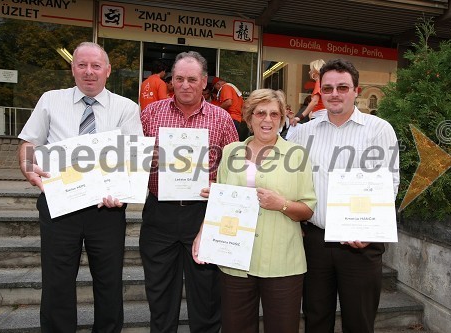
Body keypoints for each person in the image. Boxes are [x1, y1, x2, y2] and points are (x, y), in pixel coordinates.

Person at [17, 41, 143, 332]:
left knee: (109, 282)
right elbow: (28, 144)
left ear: (108, 71)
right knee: (57, 282)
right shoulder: (51, 100)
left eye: (96, 66)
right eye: (82, 65)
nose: (89, 72)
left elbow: (134, 159)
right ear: (72, 68)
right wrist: (27, 166)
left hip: (106, 210)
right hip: (59, 206)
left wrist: (124, 194)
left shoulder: (126, 108)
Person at [289, 58, 400, 333]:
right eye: (327, 88)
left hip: (361, 242)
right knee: (316, 319)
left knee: (359, 322)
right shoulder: (303, 133)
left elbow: (390, 182)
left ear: (356, 91)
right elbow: (287, 179)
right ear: (320, 92)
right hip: (316, 242)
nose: (334, 94)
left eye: (342, 87)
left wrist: (370, 230)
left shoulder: (379, 129)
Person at [193, 88, 317, 333]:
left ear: (282, 119)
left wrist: (280, 204)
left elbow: (307, 210)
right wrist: (202, 233)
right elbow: (220, 204)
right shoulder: (231, 152)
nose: (267, 120)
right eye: (260, 113)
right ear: (249, 118)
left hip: (283, 262)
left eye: (274, 114)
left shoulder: (298, 155)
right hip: (235, 259)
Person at [139, 51, 239, 333]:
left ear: (204, 81)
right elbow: (132, 163)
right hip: (160, 213)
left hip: (203, 215)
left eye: (192, 79)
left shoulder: (222, 119)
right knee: (159, 295)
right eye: (179, 79)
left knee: (207, 296)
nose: (185, 85)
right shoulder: (150, 114)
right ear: (172, 81)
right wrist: (149, 162)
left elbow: (234, 169)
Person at [291, 59, 326, 125]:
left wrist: (300, 117)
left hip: (318, 116)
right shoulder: (323, 82)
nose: (309, 72)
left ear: (315, 70)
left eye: (311, 69)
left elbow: (314, 102)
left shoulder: (319, 82)